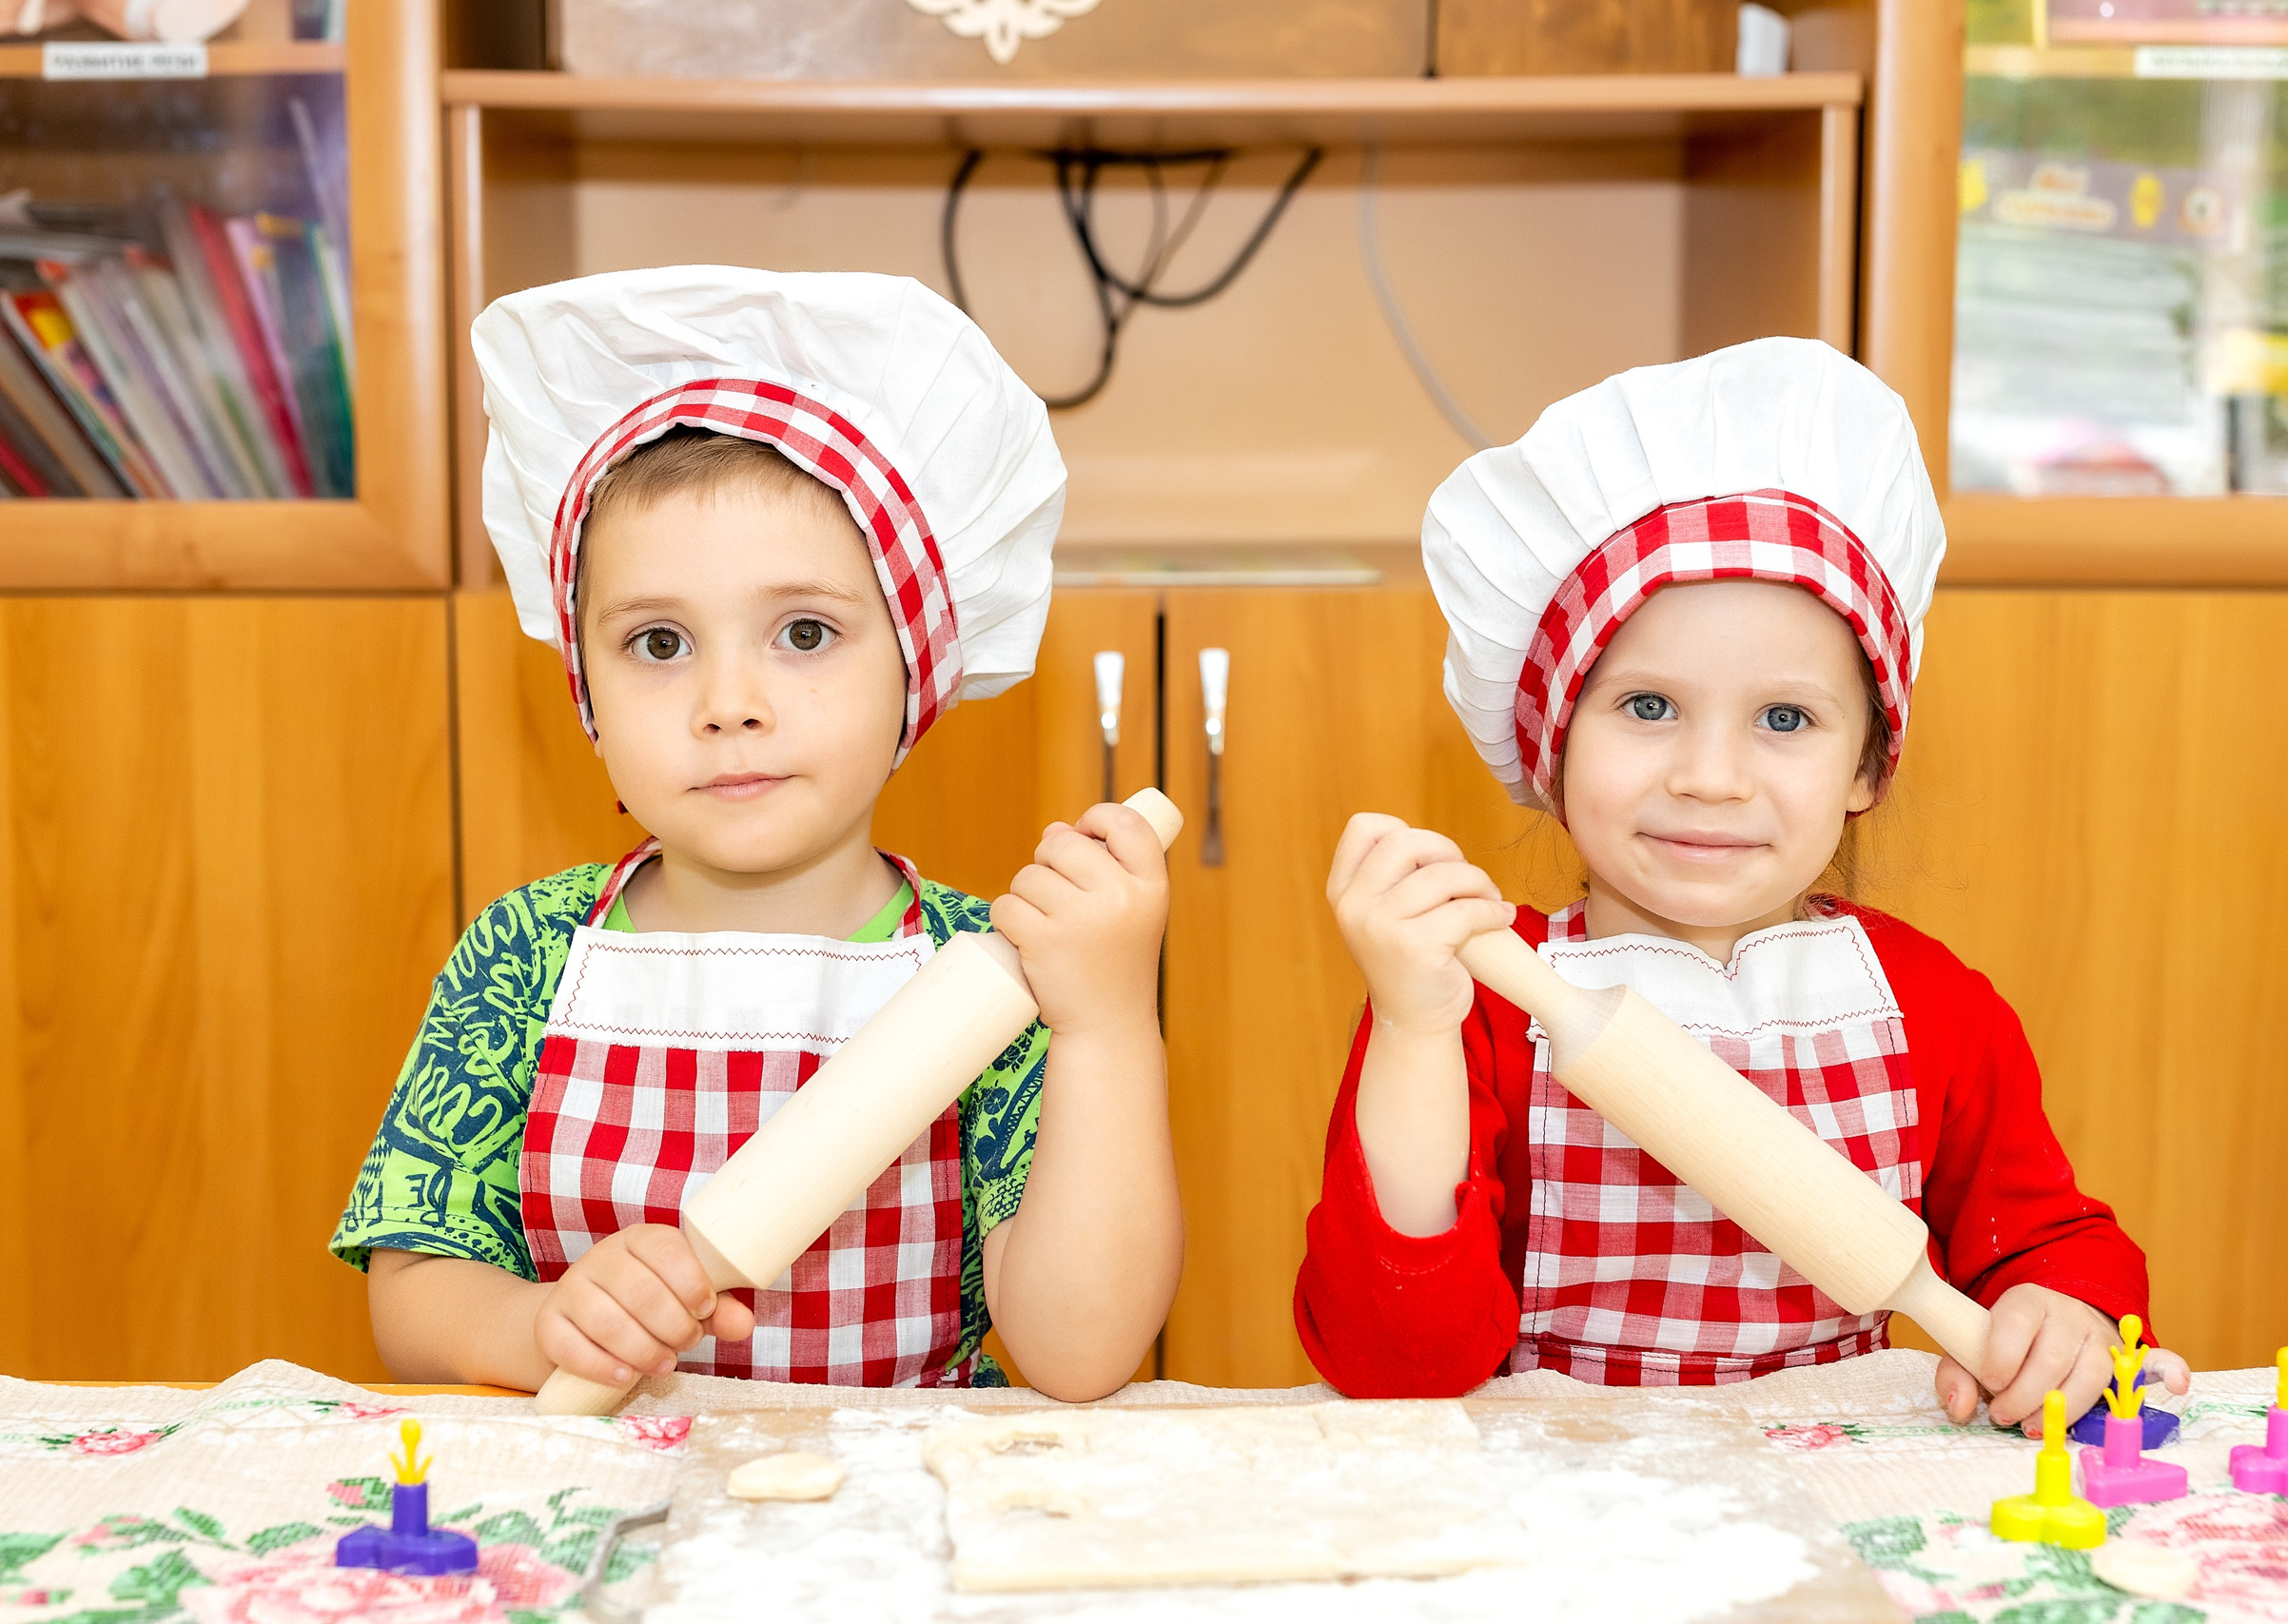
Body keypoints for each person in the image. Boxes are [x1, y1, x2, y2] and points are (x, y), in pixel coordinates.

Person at [1296, 338, 2185, 1430]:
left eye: (1783, 719)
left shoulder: (1928, 1006)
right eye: (1648, 707)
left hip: (1837, 1486)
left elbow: (2050, 1243)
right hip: (1562, 1509)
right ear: (1552, 747)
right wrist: (1410, 1026)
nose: (1709, 779)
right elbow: (1396, 1365)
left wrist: (2063, 1309)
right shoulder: (1480, 1012)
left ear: (1864, 766)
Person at [331, 267, 1180, 1402]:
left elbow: (1079, 1356)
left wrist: (1108, 1024)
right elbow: (415, 1289)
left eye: (804, 631)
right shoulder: (524, 955)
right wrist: (541, 1326)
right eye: (661, 644)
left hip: (897, 1535)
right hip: (609, 1512)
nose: (728, 702)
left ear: (915, 674)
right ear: (586, 686)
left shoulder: (990, 979)